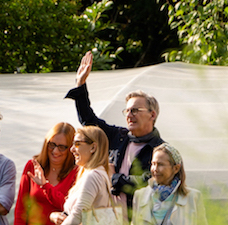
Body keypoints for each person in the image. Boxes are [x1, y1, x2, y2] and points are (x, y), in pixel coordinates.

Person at [65, 51, 164, 210]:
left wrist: (116, 178)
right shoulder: (118, 136)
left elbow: (152, 183)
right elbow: (89, 121)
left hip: (139, 222)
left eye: (135, 110)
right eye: (127, 111)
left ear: (152, 114)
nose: (129, 115)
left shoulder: (161, 150)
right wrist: (80, 84)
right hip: (108, 219)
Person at [131, 144, 209, 225]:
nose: (155, 169)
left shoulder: (192, 197)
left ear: (176, 168)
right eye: (153, 164)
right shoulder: (140, 195)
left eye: (160, 164)